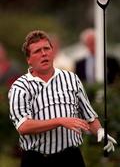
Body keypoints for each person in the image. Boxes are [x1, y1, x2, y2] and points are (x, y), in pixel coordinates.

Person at [8, 30, 117, 167]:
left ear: (53, 52)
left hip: (71, 158)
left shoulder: (71, 78)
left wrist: (100, 131)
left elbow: (88, 116)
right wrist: (60, 121)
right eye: (37, 51)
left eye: (46, 48)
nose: (43, 53)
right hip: (37, 159)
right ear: (29, 59)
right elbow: (23, 126)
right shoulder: (20, 86)